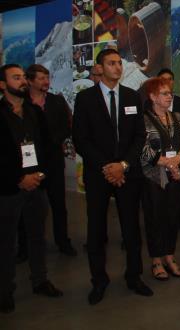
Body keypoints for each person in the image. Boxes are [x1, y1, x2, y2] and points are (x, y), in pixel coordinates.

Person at [73, 49, 153, 305]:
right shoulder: (85, 99)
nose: (118, 67)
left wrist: (123, 164)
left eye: (119, 63)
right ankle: (99, 281)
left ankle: (134, 276)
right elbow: (81, 139)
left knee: (131, 229)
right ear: (100, 67)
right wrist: (108, 167)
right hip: (99, 175)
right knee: (96, 230)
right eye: (112, 63)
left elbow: (139, 136)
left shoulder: (131, 97)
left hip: (128, 174)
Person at [0, 64, 63, 314]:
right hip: (8, 189)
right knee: (6, 242)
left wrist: (40, 175)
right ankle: (5, 291)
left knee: (38, 237)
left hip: (36, 185)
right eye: (16, 78)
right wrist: (18, 178)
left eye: (23, 77)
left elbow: (48, 148)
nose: (23, 81)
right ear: (3, 85)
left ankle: (40, 280)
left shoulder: (35, 112)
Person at [140, 77, 180, 280]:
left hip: (176, 174)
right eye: (164, 93)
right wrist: (166, 163)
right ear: (152, 96)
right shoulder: (143, 119)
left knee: (172, 217)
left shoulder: (178, 116)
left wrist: (177, 159)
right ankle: (156, 260)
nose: (169, 96)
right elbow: (141, 149)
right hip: (153, 177)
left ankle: (170, 256)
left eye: (170, 93)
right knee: (155, 218)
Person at [26, 64, 77, 257]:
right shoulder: (23, 103)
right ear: (30, 81)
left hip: (54, 161)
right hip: (30, 163)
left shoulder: (56, 101)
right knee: (30, 206)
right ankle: (27, 247)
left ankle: (63, 241)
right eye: (40, 78)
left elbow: (66, 125)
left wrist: (52, 141)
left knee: (58, 204)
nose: (45, 82)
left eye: (47, 78)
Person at [156, 68, 180, 232]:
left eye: (170, 79)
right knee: (161, 190)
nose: (167, 81)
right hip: (160, 156)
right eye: (163, 79)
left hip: (179, 154)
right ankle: (164, 222)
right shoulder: (149, 103)